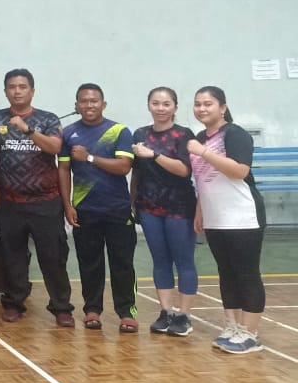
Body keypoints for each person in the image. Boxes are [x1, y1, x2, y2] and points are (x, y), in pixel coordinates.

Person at [0, 69, 74, 327]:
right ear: (5, 91)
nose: (17, 91)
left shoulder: (48, 119)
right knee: (12, 256)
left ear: (32, 91)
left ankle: (61, 307)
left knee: (53, 256)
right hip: (8, 202)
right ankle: (14, 302)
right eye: (12, 87)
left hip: (45, 202)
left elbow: (54, 147)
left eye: (23, 86)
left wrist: (28, 130)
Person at [189, 86, 266, 354]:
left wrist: (203, 152)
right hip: (215, 216)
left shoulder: (235, 134)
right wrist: (200, 211)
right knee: (226, 273)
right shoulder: (200, 138)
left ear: (222, 108)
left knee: (247, 273)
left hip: (242, 215)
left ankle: (250, 333)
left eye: (208, 103)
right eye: (197, 104)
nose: (202, 108)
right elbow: (203, 179)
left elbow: (239, 171)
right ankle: (233, 327)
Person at [60, 84, 137, 333]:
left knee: (122, 264)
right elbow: (63, 170)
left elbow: (124, 167)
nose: (89, 105)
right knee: (89, 263)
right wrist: (67, 205)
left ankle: (128, 312)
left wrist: (89, 157)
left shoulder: (119, 131)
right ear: (76, 106)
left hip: (118, 209)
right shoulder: (68, 133)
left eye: (94, 101)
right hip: (85, 210)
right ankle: (92, 310)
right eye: (83, 101)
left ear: (103, 104)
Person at [131, 87, 197, 336]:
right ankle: (166, 311)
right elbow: (137, 171)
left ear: (175, 107)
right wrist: (133, 202)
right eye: (155, 103)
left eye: (166, 104)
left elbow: (184, 170)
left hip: (179, 207)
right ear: (149, 105)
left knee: (184, 260)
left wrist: (154, 154)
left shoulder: (184, 134)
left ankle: (184, 315)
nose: (160, 108)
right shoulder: (140, 134)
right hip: (149, 207)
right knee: (160, 260)